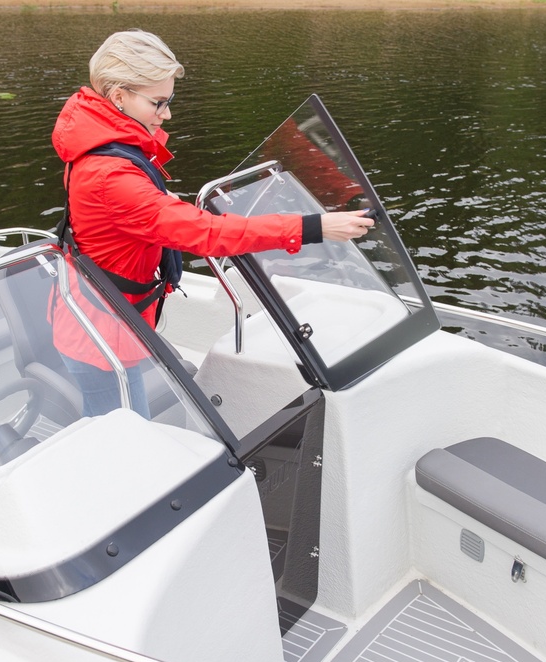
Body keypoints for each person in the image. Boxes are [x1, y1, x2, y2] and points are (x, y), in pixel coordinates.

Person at [51, 29, 373, 418]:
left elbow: (130, 212)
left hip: (101, 318)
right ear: (119, 96)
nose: (167, 113)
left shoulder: (99, 140)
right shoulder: (111, 176)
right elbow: (206, 234)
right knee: (126, 436)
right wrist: (314, 227)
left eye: (169, 101)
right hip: (100, 340)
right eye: (158, 102)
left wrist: (158, 204)